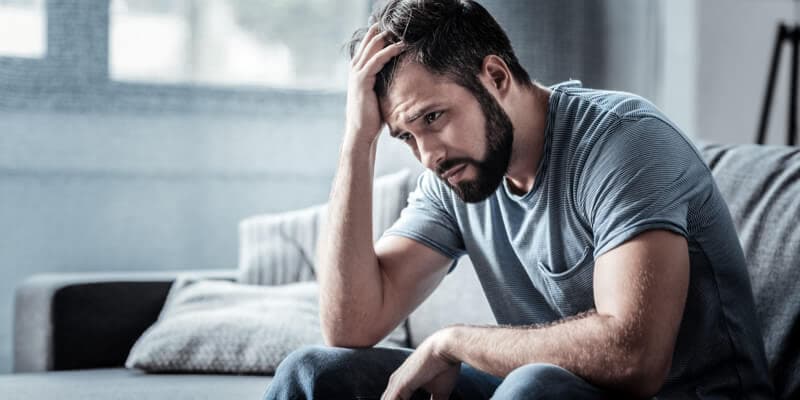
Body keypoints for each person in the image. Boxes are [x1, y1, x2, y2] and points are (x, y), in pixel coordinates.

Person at [265, 0, 773, 398]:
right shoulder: (456, 176)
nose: (427, 156)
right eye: (407, 137)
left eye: (433, 118)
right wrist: (359, 139)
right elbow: (350, 325)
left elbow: (634, 359)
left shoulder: (624, 142)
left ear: (497, 77)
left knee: (532, 385)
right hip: (547, 392)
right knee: (312, 373)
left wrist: (453, 342)